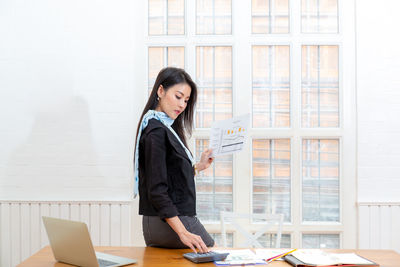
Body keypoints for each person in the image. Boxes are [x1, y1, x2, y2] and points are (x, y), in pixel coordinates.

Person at [134, 67, 215, 253]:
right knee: (212, 254)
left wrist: (199, 167)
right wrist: (183, 232)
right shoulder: (156, 131)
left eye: (186, 100)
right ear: (160, 91)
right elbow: (157, 190)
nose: (182, 105)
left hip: (157, 221)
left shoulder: (162, 127)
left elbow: (170, 175)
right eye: (178, 96)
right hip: (172, 219)